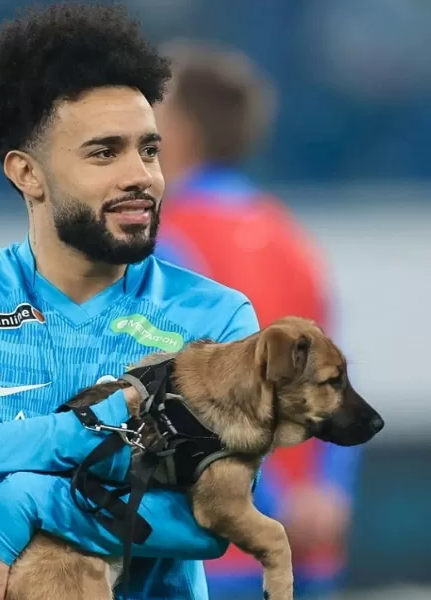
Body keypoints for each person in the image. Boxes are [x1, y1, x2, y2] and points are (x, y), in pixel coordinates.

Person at [0, 6, 261, 600]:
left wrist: (32, 498)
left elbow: (212, 519)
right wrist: (73, 437)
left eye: (149, 150)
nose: (141, 175)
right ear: (28, 174)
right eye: (104, 153)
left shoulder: (214, 317)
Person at [153, 41, 362, 599]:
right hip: (304, 555)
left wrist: (268, 504)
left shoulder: (165, 246)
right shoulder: (292, 239)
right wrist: (325, 497)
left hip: (215, 553)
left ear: (181, 133)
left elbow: (199, 399)